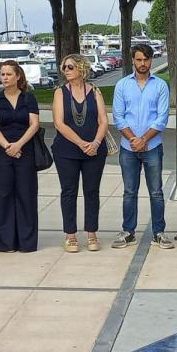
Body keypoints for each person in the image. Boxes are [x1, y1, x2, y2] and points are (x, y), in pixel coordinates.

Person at [113, 44, 172, 250]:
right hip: (128, 148)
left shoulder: (160, 85)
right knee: (129, 191)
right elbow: (118, 117)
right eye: (139, 59)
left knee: (156, 192)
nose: (143, 63)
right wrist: (134, 140)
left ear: (151, 60)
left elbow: (162, 118)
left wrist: (144, 139)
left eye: (146, 59)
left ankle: (159, 233)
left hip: (152, 147)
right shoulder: (122, 85)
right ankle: (128, 232)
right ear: (133, 60)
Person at [52, 54, 108, 253]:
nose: (65, 70)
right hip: (66, 151)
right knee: (69, 191)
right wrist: (81, 143)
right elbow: (59, 123)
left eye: (70, 67)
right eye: (64, 67)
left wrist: (96, 142)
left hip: (94, 150)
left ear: (81, 68)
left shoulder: (95, 91)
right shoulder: (60, 93)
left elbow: (103, 120)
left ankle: (92, 233)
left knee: (92, 191)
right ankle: (70, 235)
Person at [0, 61, 40, 252]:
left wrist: (18, 145)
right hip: (3, 150)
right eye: (2, 74)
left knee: (26, 194)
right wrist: (8, 146)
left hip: (25, 149)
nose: (5, 78)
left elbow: (34, 124)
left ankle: (26, 242)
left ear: (18, 76)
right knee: (3, 195)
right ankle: (5, 242)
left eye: (9, 74)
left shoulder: (28, 98)